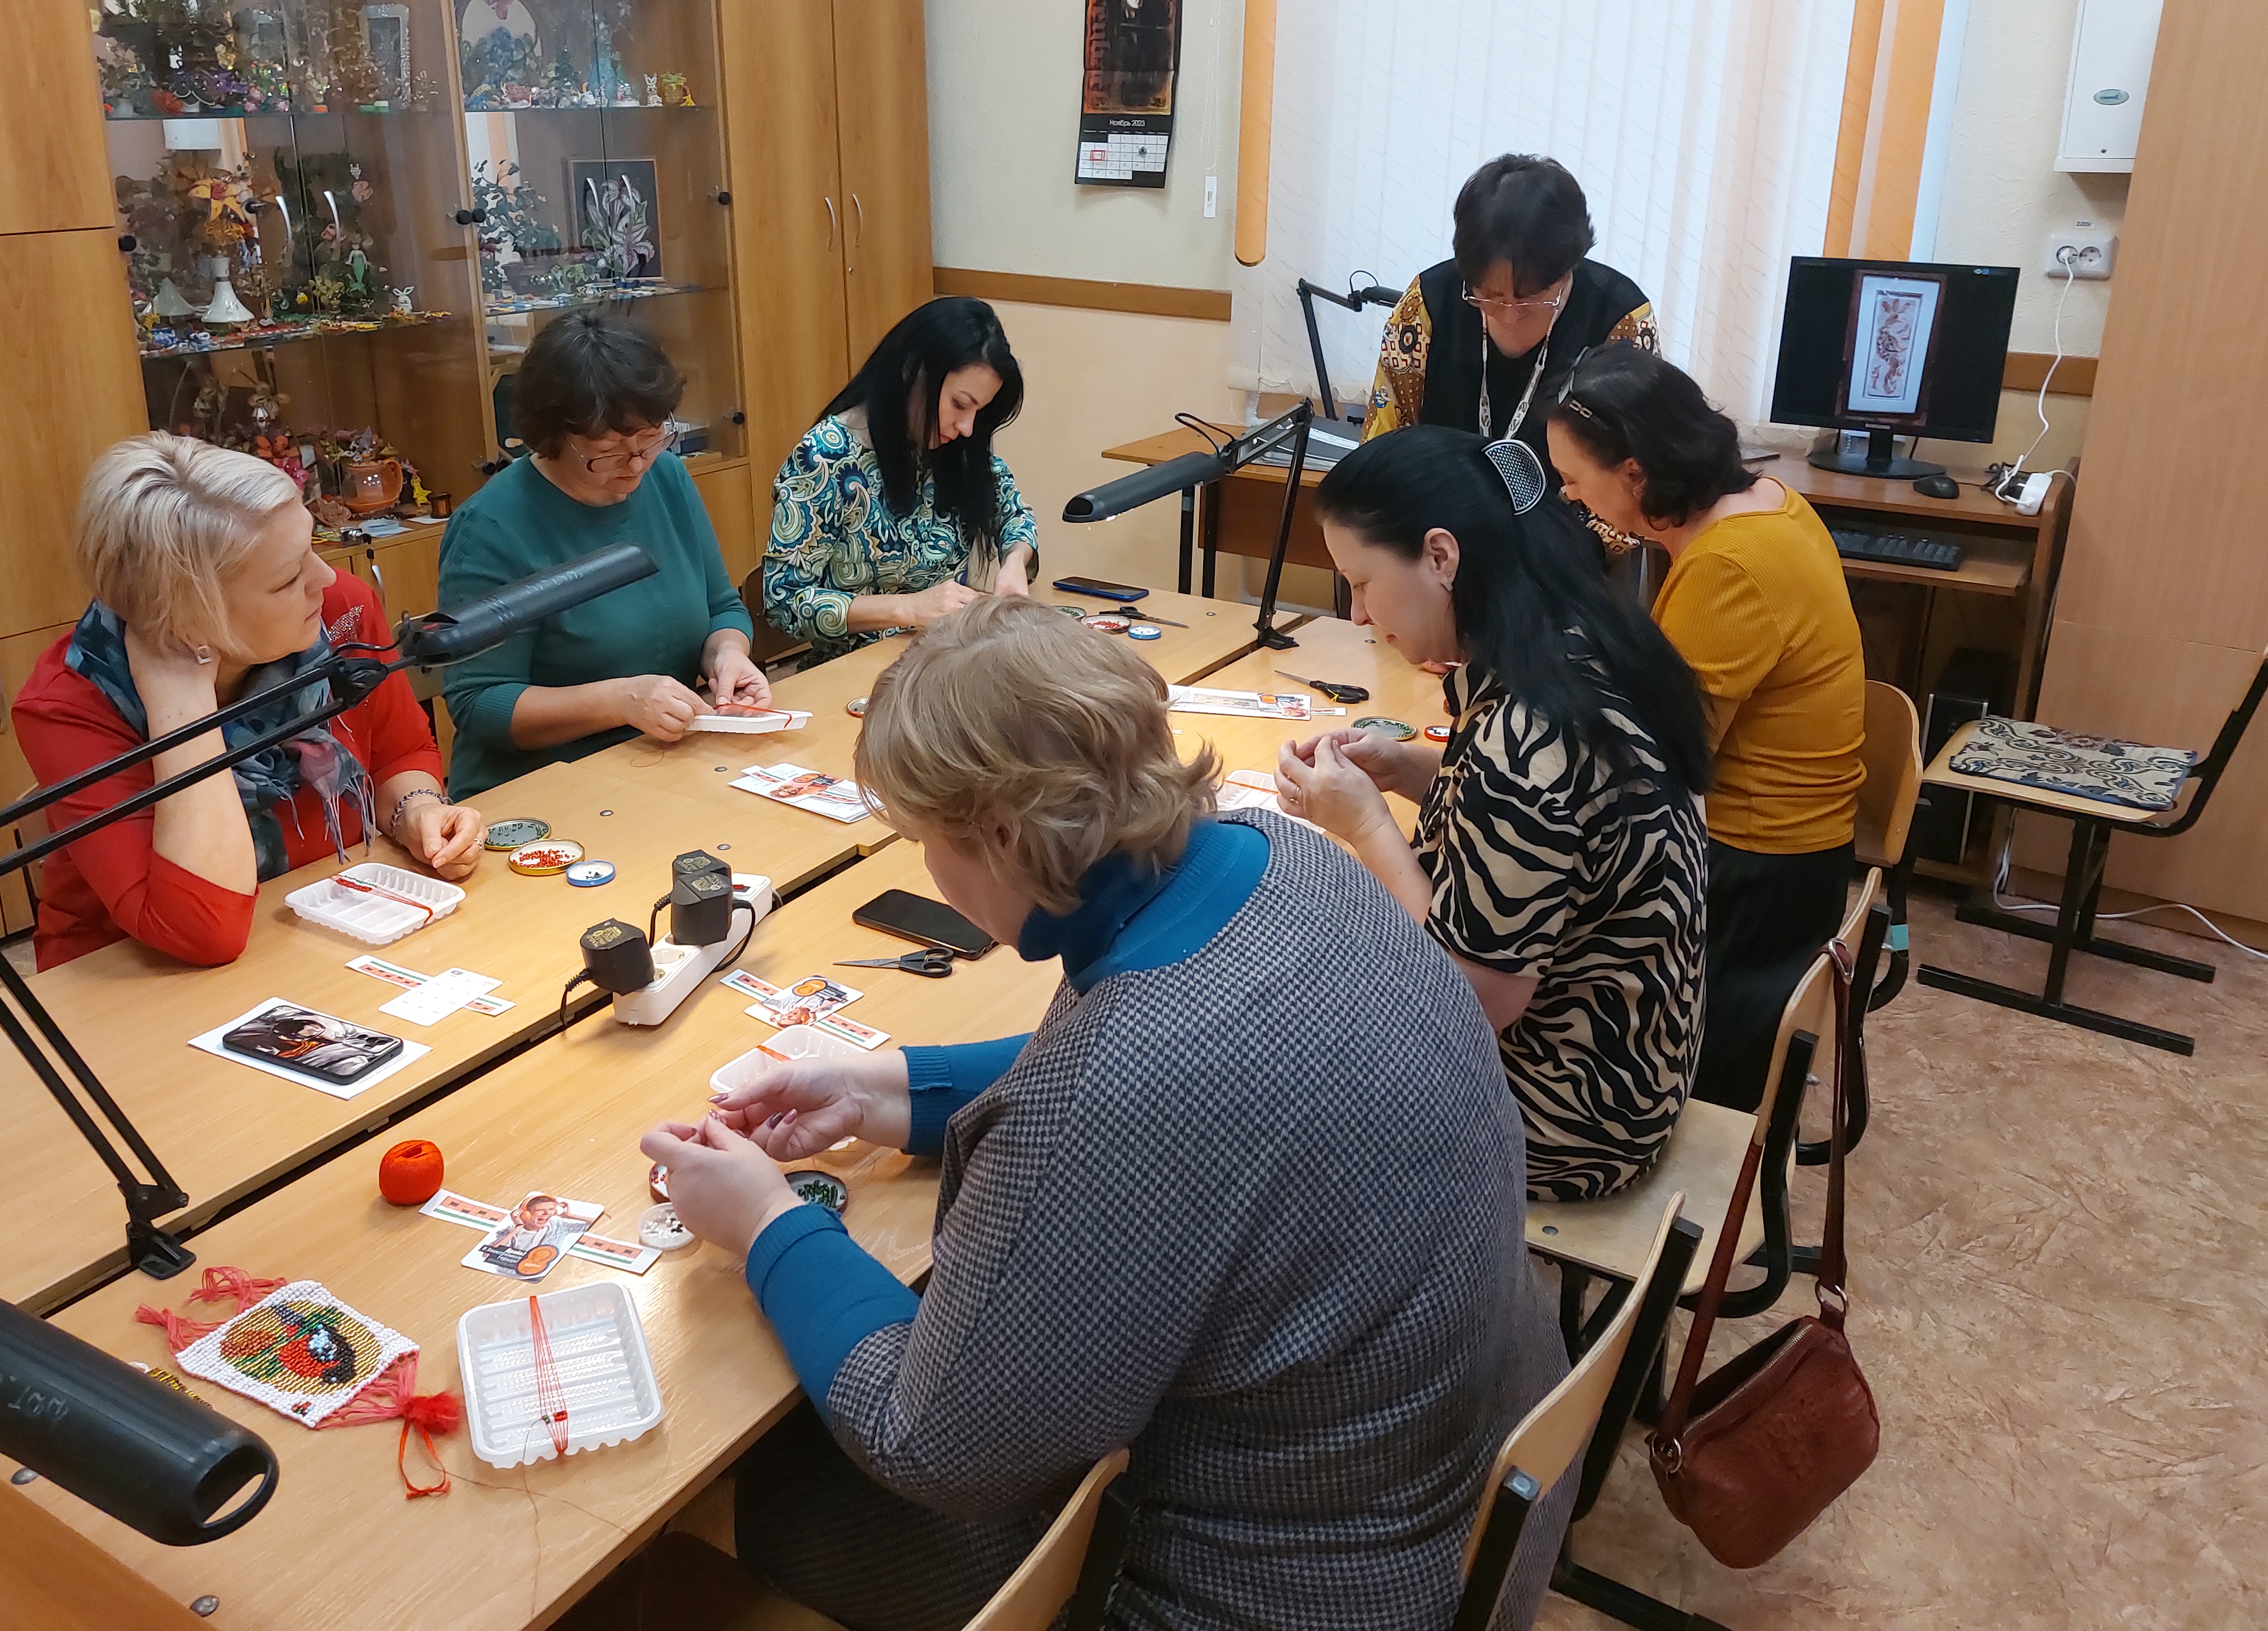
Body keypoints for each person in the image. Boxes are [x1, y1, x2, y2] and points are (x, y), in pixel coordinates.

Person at [640, 599, 1564, 1631]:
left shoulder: (1117, 1082)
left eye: (925, 841)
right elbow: (1180, 1082)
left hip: (1306, 1596)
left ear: (998, 836)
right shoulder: (1283, 855)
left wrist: (767, 1223)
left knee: (759, 1480)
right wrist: (880, 1089)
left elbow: (929, 1442)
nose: (929, 869)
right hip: (1462, 1502)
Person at [1275, 426, 1711, 1201]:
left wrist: (1367, 826)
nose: (1360, 615)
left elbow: (1472, 999)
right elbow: (1560, 829)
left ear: (1440, 557)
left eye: (1363, 583)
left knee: (1259, 1062)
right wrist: (1410, 770)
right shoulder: (1579, 643)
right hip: (1633, 1069)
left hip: (1559, 1121)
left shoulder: (1527, 734)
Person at [14, 434, 483, 972]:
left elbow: (398, 753)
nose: (327, 578)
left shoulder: (338, 610)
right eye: (287, 579)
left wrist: (417, 811)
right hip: (140, 981)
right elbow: (202, 929)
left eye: (310, 547)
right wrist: (182, 700)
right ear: (194, 619)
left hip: (326, 924)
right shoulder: (66, 708)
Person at [1544, 343, 1864, 1110]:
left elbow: (1659, 764)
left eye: (1575, 480)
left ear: (1634, 475)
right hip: (1796, 852)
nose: (1568, 496)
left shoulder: (1729, 565)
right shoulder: (1770, 502)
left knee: (1542, 917)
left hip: (1757, 869)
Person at [438, 315, 767, 793]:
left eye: (651, 438)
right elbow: (480, 704)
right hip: (542, 790)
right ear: (553, 437)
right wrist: (620, 700)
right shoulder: (492, 527)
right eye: (608, 451)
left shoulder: (666, 478)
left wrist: (727, 657)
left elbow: (721, 607)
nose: (636, 463)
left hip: (659, 766)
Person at [761, 297, 1037, 657]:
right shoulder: (827, 456)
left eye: (978, 412)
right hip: (853, 668)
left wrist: (1014, 564)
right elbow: (785, 600)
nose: (967, 427)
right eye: (959, 405)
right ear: (913, 372)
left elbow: (1015, 514)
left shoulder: (954, 447)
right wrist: (908, 609)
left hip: (945, 659)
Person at [1360, 153, 1656, 479]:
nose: (1509, 316)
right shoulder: (1427, 305)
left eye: (1530, 299)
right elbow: (1381, 448)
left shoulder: (1620, 320)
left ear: (1567, 271)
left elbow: (1636, 477)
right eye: (1490, 297)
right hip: (1437, 503)